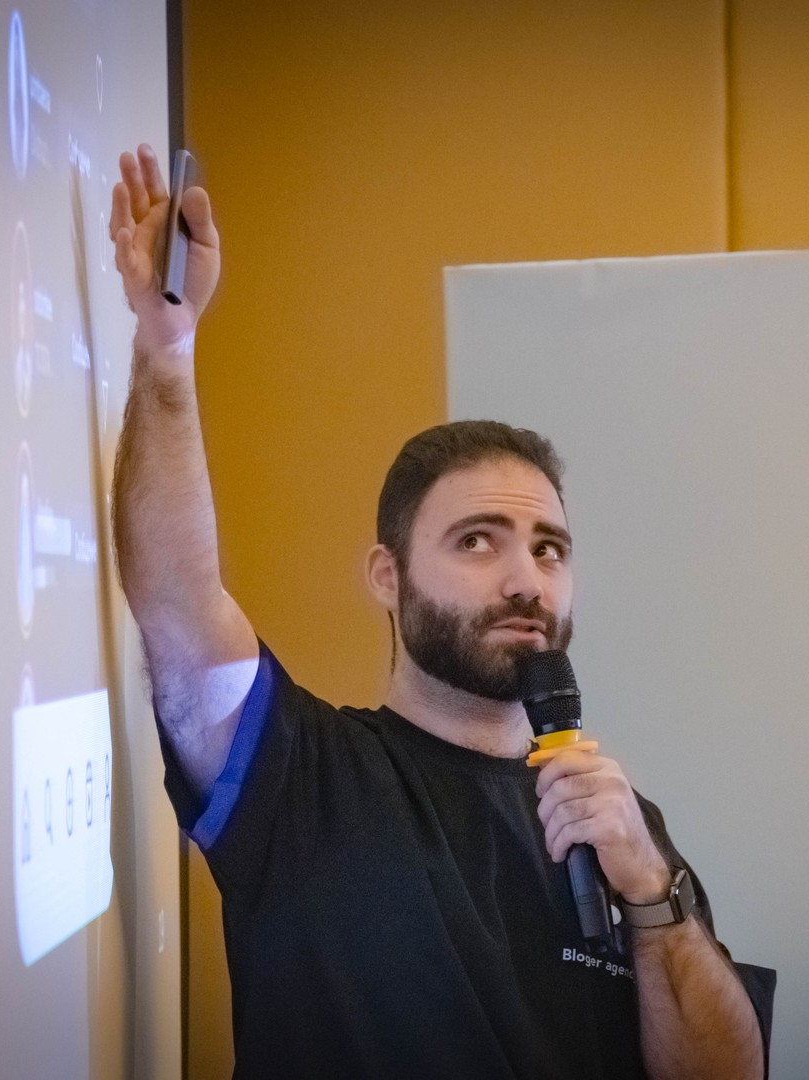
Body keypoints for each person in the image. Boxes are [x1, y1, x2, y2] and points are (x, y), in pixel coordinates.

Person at [108, 143, 771, 1078]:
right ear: (387, 576)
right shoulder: (303, 778)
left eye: (549, 548)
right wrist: (166, 348)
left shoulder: (619, 824)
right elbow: (176, 602)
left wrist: (653, 896)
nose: (525, 579)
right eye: (477, 541)